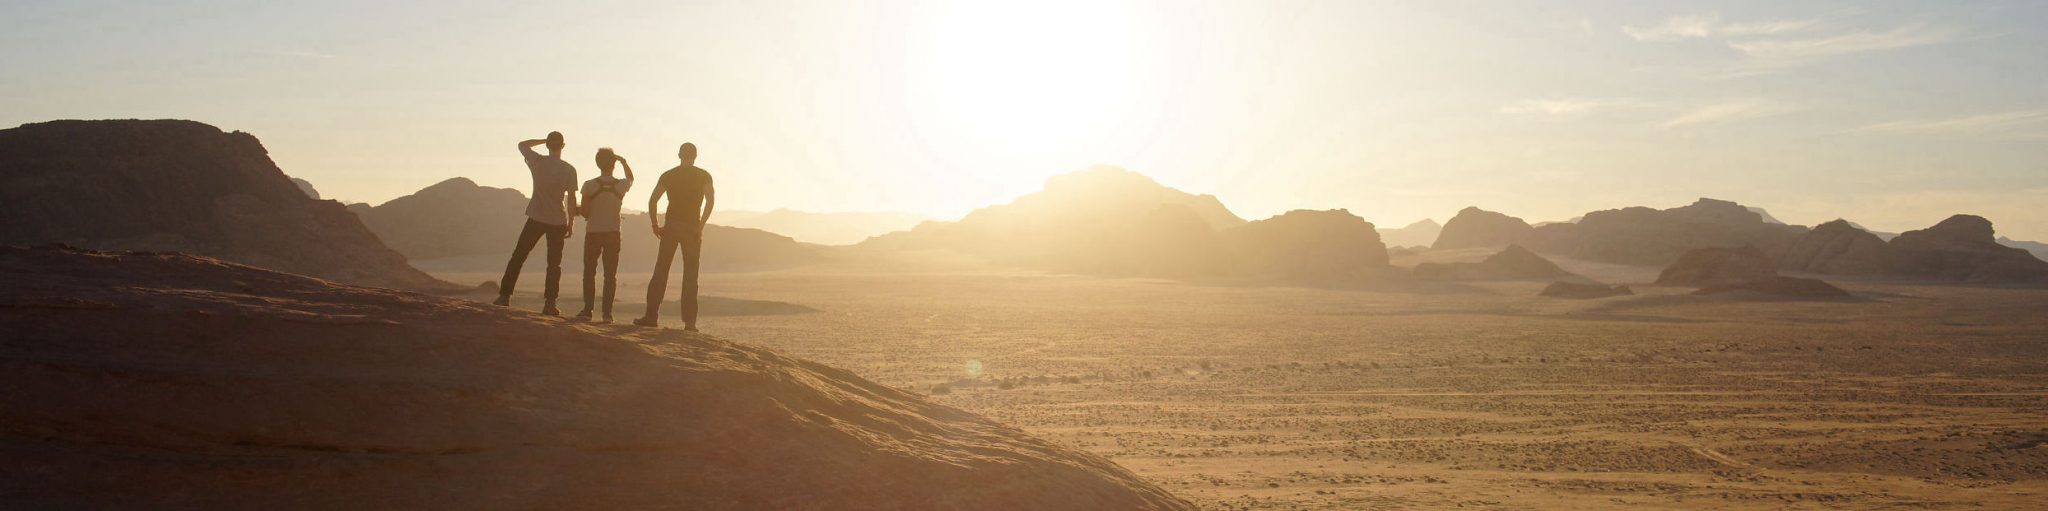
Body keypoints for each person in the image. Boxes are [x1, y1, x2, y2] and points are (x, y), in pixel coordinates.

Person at [493, 131, 578, 315]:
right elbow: (571, 199)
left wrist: (542, 140)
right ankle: (550, 304)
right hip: (557, 220)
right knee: (554, 263)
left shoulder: (538, 161)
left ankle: (505, 296)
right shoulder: (569, 169)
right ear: (563, 146)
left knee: (519, 256)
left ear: (548, 145)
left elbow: (522, 144)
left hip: (536, 216)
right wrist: (571, 222)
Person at [634, 142, 715, 331]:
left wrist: (655, 224)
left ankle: (651, 316)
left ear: (679, 155)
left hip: (671, 227)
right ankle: (690, 322)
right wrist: (701, 225)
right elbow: (710, 200)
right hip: (692, 228)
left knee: (661, 270)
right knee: (690, 275)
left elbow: (653, 200)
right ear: (695, 156)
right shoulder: (704, 175)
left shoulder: (669, 175)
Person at [574, 148, 633, 322]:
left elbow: (584, 212)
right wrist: (624, 162)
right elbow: (631, 178)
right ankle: (607, 314)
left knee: (589, 272)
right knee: (610, 275)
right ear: (613, 164)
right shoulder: (620, 185)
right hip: (613, 234)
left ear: (597, 163)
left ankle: (587, 310)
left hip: (593, 232)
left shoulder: (589, 185)